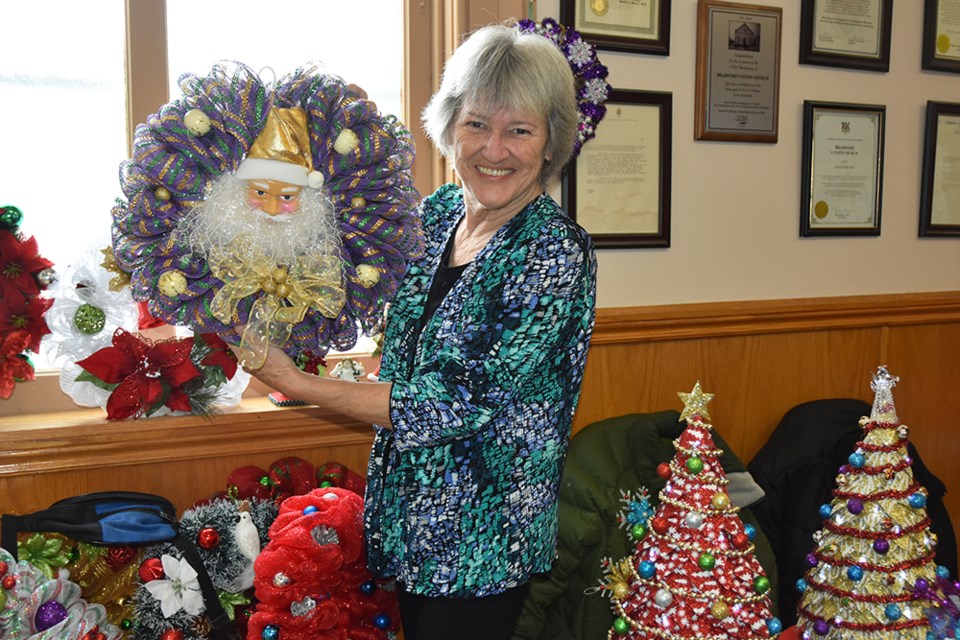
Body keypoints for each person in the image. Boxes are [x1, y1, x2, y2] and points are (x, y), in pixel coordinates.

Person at [237, 21, 601, 640]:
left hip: (483, 539)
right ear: (449, 126)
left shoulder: (554, 252)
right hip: (409, 521)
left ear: (550, 143)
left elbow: (451, 403)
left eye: (519, 130)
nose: (494, 148)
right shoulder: (433, 216)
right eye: (477, 124)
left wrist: (301, 384)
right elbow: (371, 311)